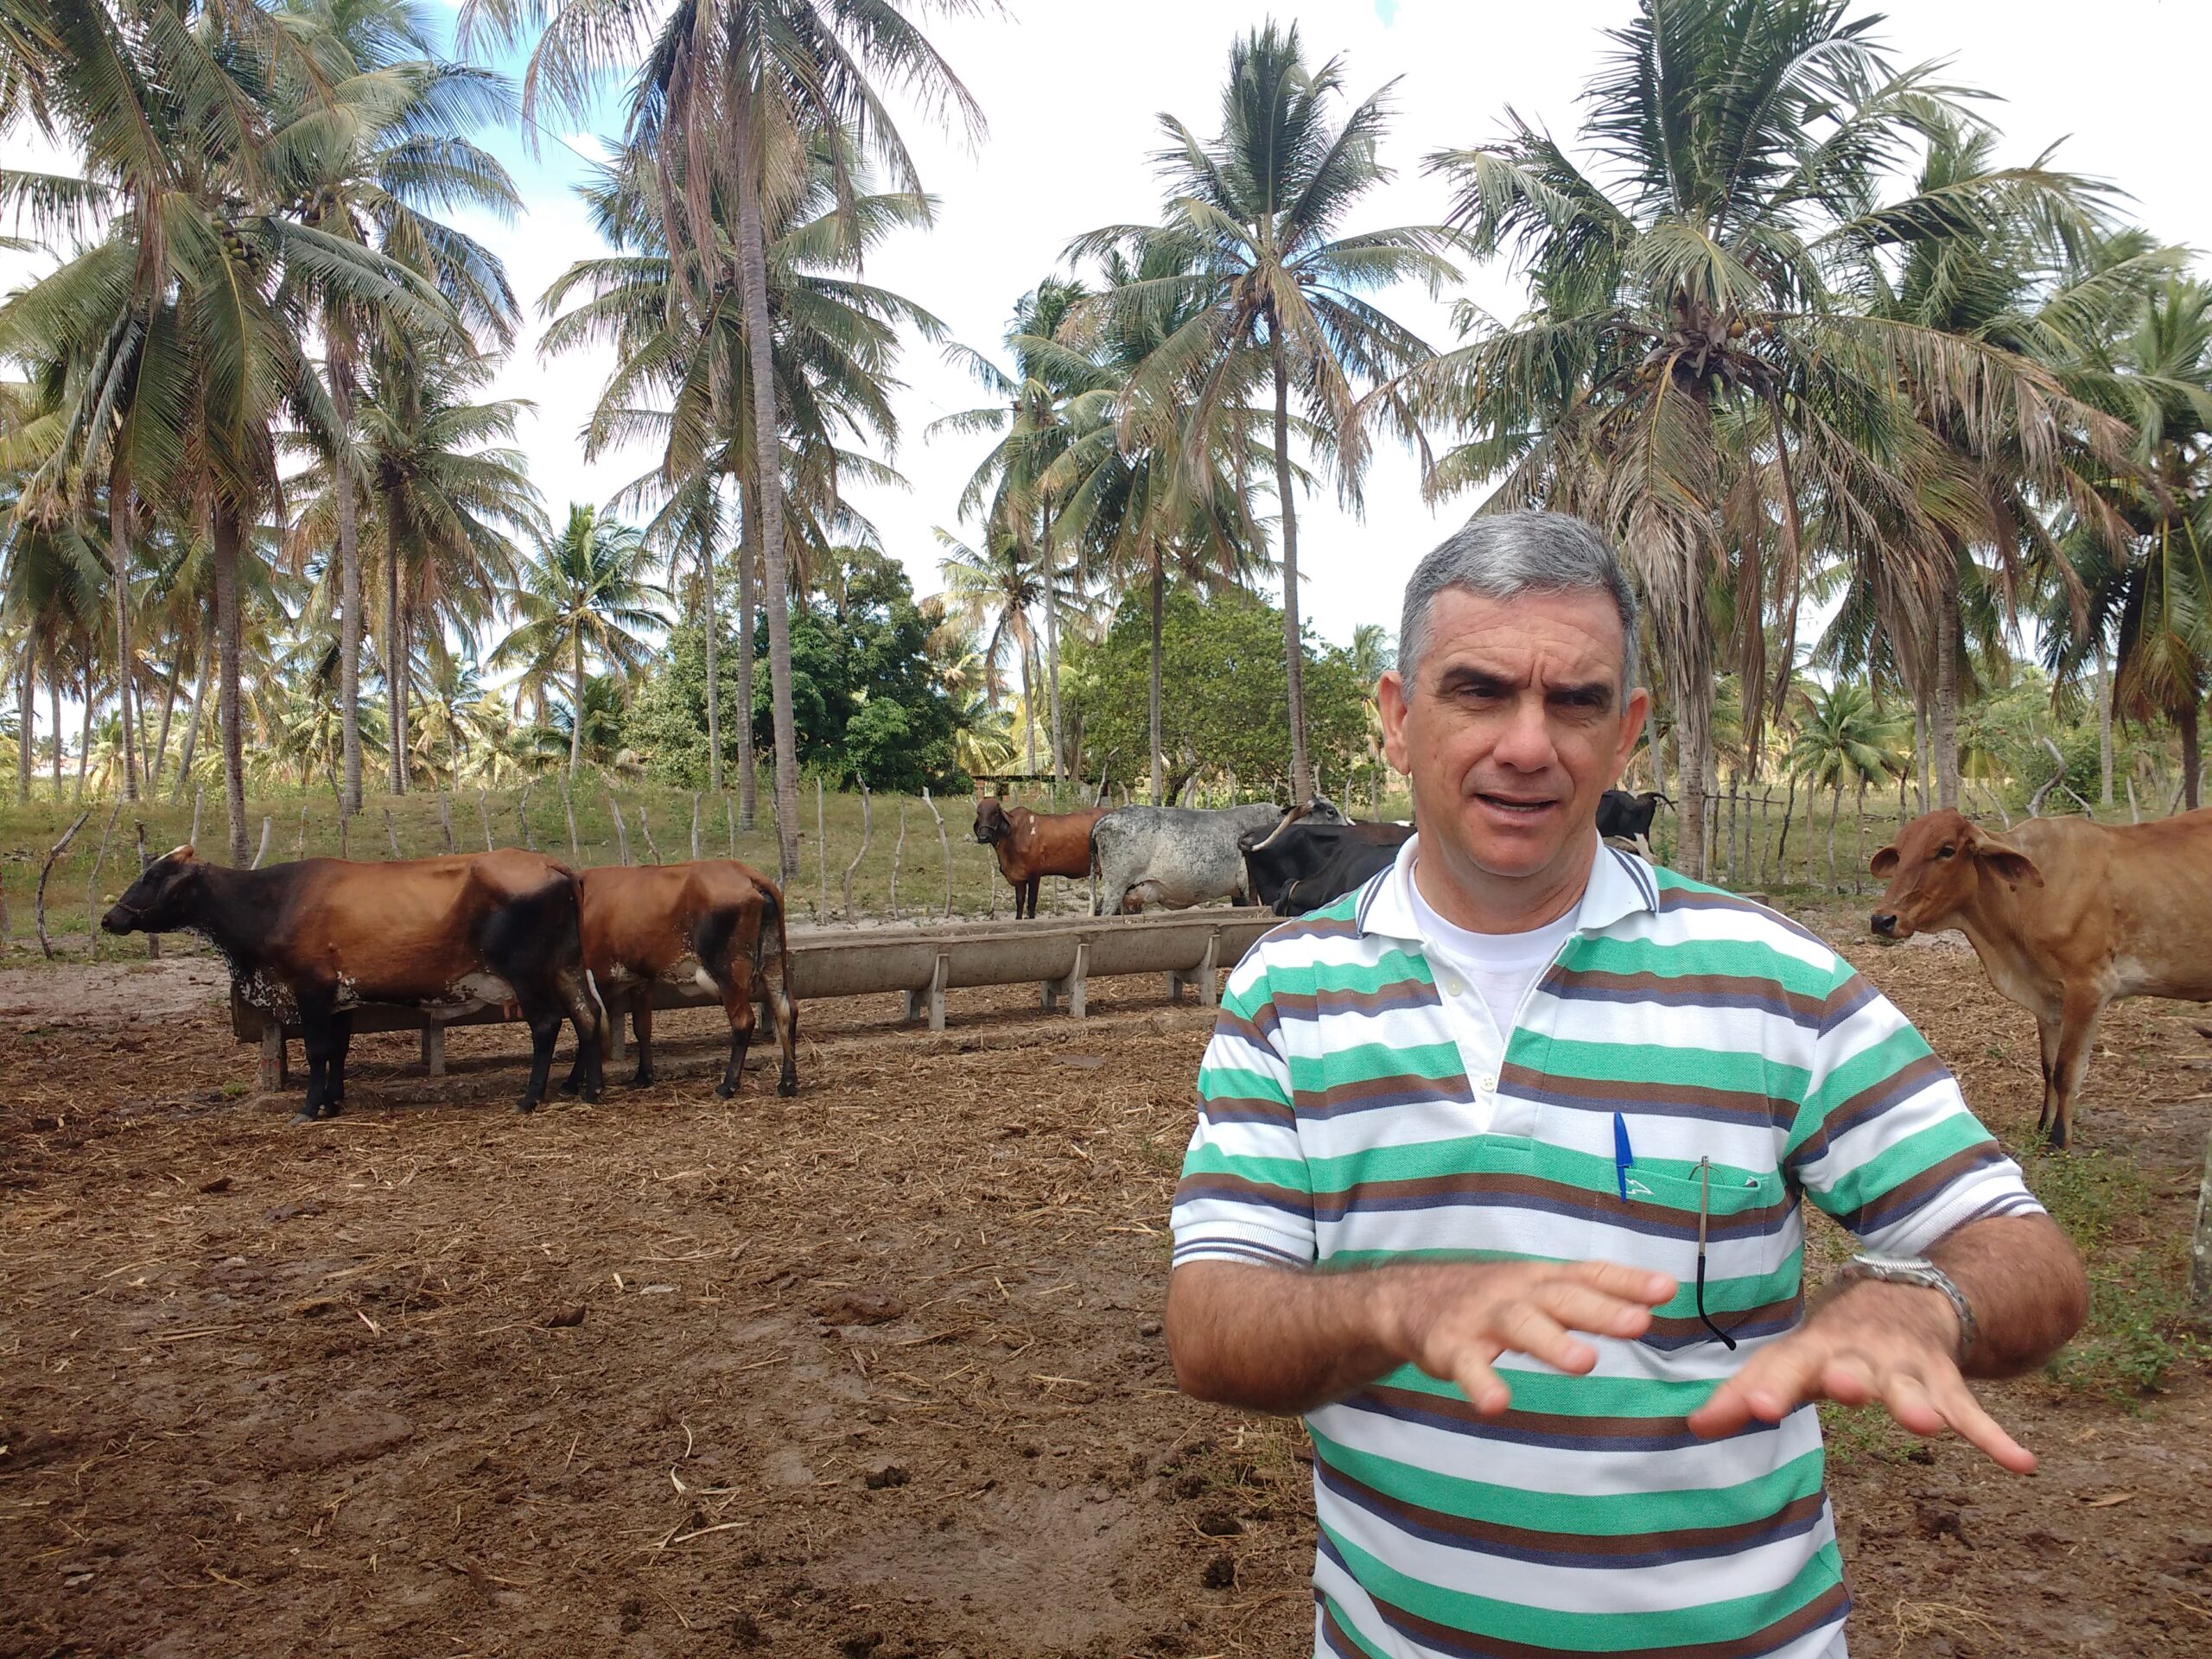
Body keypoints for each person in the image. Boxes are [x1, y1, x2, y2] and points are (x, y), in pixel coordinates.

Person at [1165, 512, 2088, 1659]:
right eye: (1480, 691)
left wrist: (1923, 1301)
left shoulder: (1773, 983)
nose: (1527, 743)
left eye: (1576, 702)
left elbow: (2023, 1252)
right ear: (1400, 722)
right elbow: (1210, 1327)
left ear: (1628, 733)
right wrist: (1394, 1304)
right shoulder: (1286, 993)